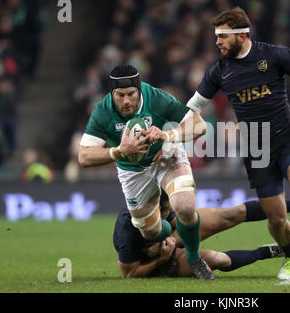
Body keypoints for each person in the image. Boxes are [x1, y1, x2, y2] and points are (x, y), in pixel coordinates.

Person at [142, 7, 290, 280]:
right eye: (216, 36)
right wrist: (169, 138)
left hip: (287, 137)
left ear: (243, 35)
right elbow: (192, 109)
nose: (217, 42)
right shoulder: (218, 71)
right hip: (256, 148)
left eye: (223, 36)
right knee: (277, 219)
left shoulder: (274, 54)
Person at [78, 64, 214, 280]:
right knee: (150, 232)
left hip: (165, 157)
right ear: (112, 93)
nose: (126, 101)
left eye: (131, 94)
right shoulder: (103, 110)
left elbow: (200, 125)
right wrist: (120, 151)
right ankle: (169, 234)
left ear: (139, 90)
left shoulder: (157, 98)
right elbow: (84, 156)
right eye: (119, 95)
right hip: (132, 173)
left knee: (185, 206)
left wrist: (168, 135)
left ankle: (194, 257)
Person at [113, 186, 290, 278]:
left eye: (169, 209)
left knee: (232, 213)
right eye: (165, 211)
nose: (168, 213)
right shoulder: (128, 229)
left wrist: (178, 233)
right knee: (216, 259)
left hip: (171, 241)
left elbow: (175, 221)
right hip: (156, 263)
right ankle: (269, 252)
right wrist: (161, 259)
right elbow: (128, 274)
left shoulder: (168, 208)